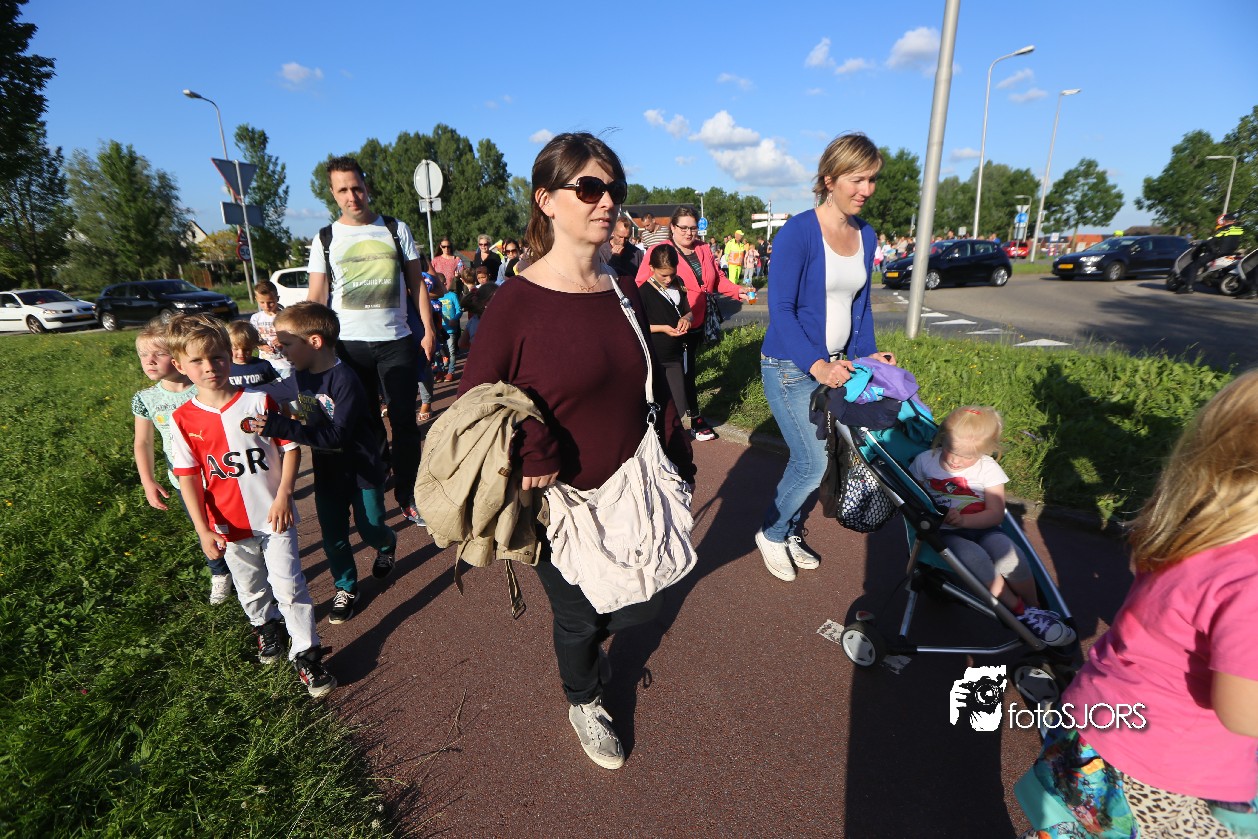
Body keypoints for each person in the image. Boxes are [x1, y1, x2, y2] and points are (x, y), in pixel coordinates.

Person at [457, 132, 694, 771]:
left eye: (614, 189)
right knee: (580, 616)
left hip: (633, 484)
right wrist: (533, 445)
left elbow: (647, 382)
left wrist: (677, 450)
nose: (606, 201)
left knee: (644, 600)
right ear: (547, 200)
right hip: (557, 500)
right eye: (589, 188)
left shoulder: (622, 290)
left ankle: (589, 658)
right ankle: (583, 697)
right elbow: (476, 402)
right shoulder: (516, 301)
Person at [1018, 370, 1258, 838]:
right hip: (1162, 769)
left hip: (1104, 724)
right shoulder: (1249, 577)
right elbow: (1242, 710)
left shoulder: (1194, 529)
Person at [165, 314, 334, 698]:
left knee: (290, 585)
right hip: (227, 525)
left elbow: (290, 448)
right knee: (251, 587)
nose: (210, 367)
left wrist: (284, 495)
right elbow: (188, 477)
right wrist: (202, 529)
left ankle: (307, 654)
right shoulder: (182, 419)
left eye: (217, 357)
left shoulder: (259, 400)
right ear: (179, 366)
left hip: (274, 516)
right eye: (197, 361)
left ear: (230, 355)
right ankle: (266, 626)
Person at [755, 132, 897, 582]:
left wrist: (869, 356)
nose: (867, 189)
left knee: (827, 456)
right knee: (812, 461)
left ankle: (790, 529)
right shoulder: (798, 231)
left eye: (872, 179)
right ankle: (772, 533)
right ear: (830, 179)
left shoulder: (866, 234)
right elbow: (781, 309)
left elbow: (861, 306)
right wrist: (816, 364)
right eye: (858, 179)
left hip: (839, 367)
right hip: (790, 366)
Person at [306, 156, 436, 526]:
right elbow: (318, 295)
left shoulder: (395, 229)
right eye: (343, 190)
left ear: (366, 187)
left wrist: (428, 330)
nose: (352, 196)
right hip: (348, 345)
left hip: (396, 340)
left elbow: (417, 284)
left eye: (357, 187)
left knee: (404, 420)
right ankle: (376, 482)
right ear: (333, 194)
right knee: (365, 422)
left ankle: (408, 493)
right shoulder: (326, 238)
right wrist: (307, 339)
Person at [250, 302, 398, 625]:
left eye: (286, 343)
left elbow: (336, 436)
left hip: (362, 470)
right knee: (334, 537)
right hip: (329, 474)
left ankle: (387, 544)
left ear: (314, 342)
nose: (279, 348)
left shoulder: (345, 380)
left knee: (370, 528)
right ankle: (346, 587)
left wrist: (280, 426)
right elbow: (272, 391)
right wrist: (228, 390)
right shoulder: (300, 375)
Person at [910, 406, 1076, 646]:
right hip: (945, 533)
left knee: (1012, 557)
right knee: (974, 557)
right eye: (950, 450)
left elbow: (996, 515)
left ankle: (1036, 607)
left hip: (983, 527)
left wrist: (965, 520)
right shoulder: (925, 462)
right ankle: (1019, 610)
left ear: (985, 451)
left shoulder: (988, 469)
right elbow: (913, 495)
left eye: (966, 456)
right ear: (942, 438)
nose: (955, 460)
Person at [131, 318, 231, 604]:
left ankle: (251, 566)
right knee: (203, 527)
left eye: (158, 354)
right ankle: (220, 572)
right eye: (143, 354)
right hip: (183, 481)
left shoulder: (205, 388)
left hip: (222, 474)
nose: (149, 361)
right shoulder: (146, 399)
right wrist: (148, 481)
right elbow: (143, 442)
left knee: (231, 524)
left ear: (178, 358)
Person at [634, 206, 748, 442]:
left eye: (693, 228)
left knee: (689, 370)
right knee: (679, 373)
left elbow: (717, 280)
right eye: (683, 228)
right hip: (669, 327)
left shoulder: (703, 249)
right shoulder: (659, 251)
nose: (689, 233)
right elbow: (641, 285)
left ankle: (680, 419)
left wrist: (738, 291)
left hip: (696, 319)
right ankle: (686, 419)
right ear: (673, 227)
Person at [638, 243, 695, 426]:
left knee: (679, 406)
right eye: (663, 275)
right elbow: (638, 326)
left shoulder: (679, 283)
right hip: (655, 356)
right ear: (651, 268)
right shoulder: (643, 292)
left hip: (676, 355)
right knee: (656, 405)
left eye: (672, 273)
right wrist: (662, 328)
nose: (669, 279)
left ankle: (676, 437)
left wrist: (686, 319)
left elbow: (688, 311)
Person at [1177, 212, 1245, 294]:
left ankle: (1188, 287)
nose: (1223, 222)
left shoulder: (1223, 229)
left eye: (1224, 220)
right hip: (1229, 253)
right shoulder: (1239, 230)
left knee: (1194, 265)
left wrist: (1208, 246)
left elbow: (1212, 241)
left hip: (1217, 253)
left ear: (1226, 221)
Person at [249, 281, 291, 379]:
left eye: (270, 302)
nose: (266, 306)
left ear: (277, 299)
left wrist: (283, 340)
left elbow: (295, 335)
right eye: (262, 302)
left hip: (285, 364)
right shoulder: (256, 318)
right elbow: (252, 339)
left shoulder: (286, 316)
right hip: (265, 364)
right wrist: (261, 346)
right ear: (256, 299)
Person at [226, 321, 280, 388]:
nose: (241, 353)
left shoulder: (263, 365)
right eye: (235, 349)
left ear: (253, 346)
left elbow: (278, 386)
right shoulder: (224, 368)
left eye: (246, 349)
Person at [435, 273, 463, 380]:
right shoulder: (434, 297)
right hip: (439, 330)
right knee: (438, 352)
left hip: (450, 330)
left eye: (440, 285)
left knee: (451, 351)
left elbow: (459, 310)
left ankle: (450, 371)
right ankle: (441, 371)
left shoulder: (452, 296)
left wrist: (455, 319)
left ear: (445, 283)